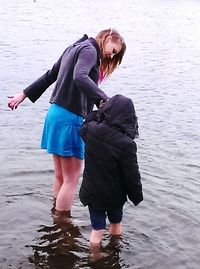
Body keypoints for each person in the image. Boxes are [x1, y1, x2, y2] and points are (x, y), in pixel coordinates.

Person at [7, 29, 126, 215]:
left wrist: (24, 94)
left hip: (55, 114)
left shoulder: (74, 47)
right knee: (72, 178)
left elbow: (50, 75)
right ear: (107, 38)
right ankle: (63, 225)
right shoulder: (90, 51)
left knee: (61, 176)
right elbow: (80, 77)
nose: (111, 54)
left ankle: (56, 214)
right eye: (113, 49)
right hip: (70, 118)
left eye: (115, 54)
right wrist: (105, 100)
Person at [79, 94, 143, 247]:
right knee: (116, 223)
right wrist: (136, 196)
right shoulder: (127, 144)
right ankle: (115, 250)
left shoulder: (91, 130)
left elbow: (87, 121)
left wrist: (98, 110)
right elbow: (131, 175)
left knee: (97, 229)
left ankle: (95, 259)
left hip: (92, 192)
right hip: (114, 197)